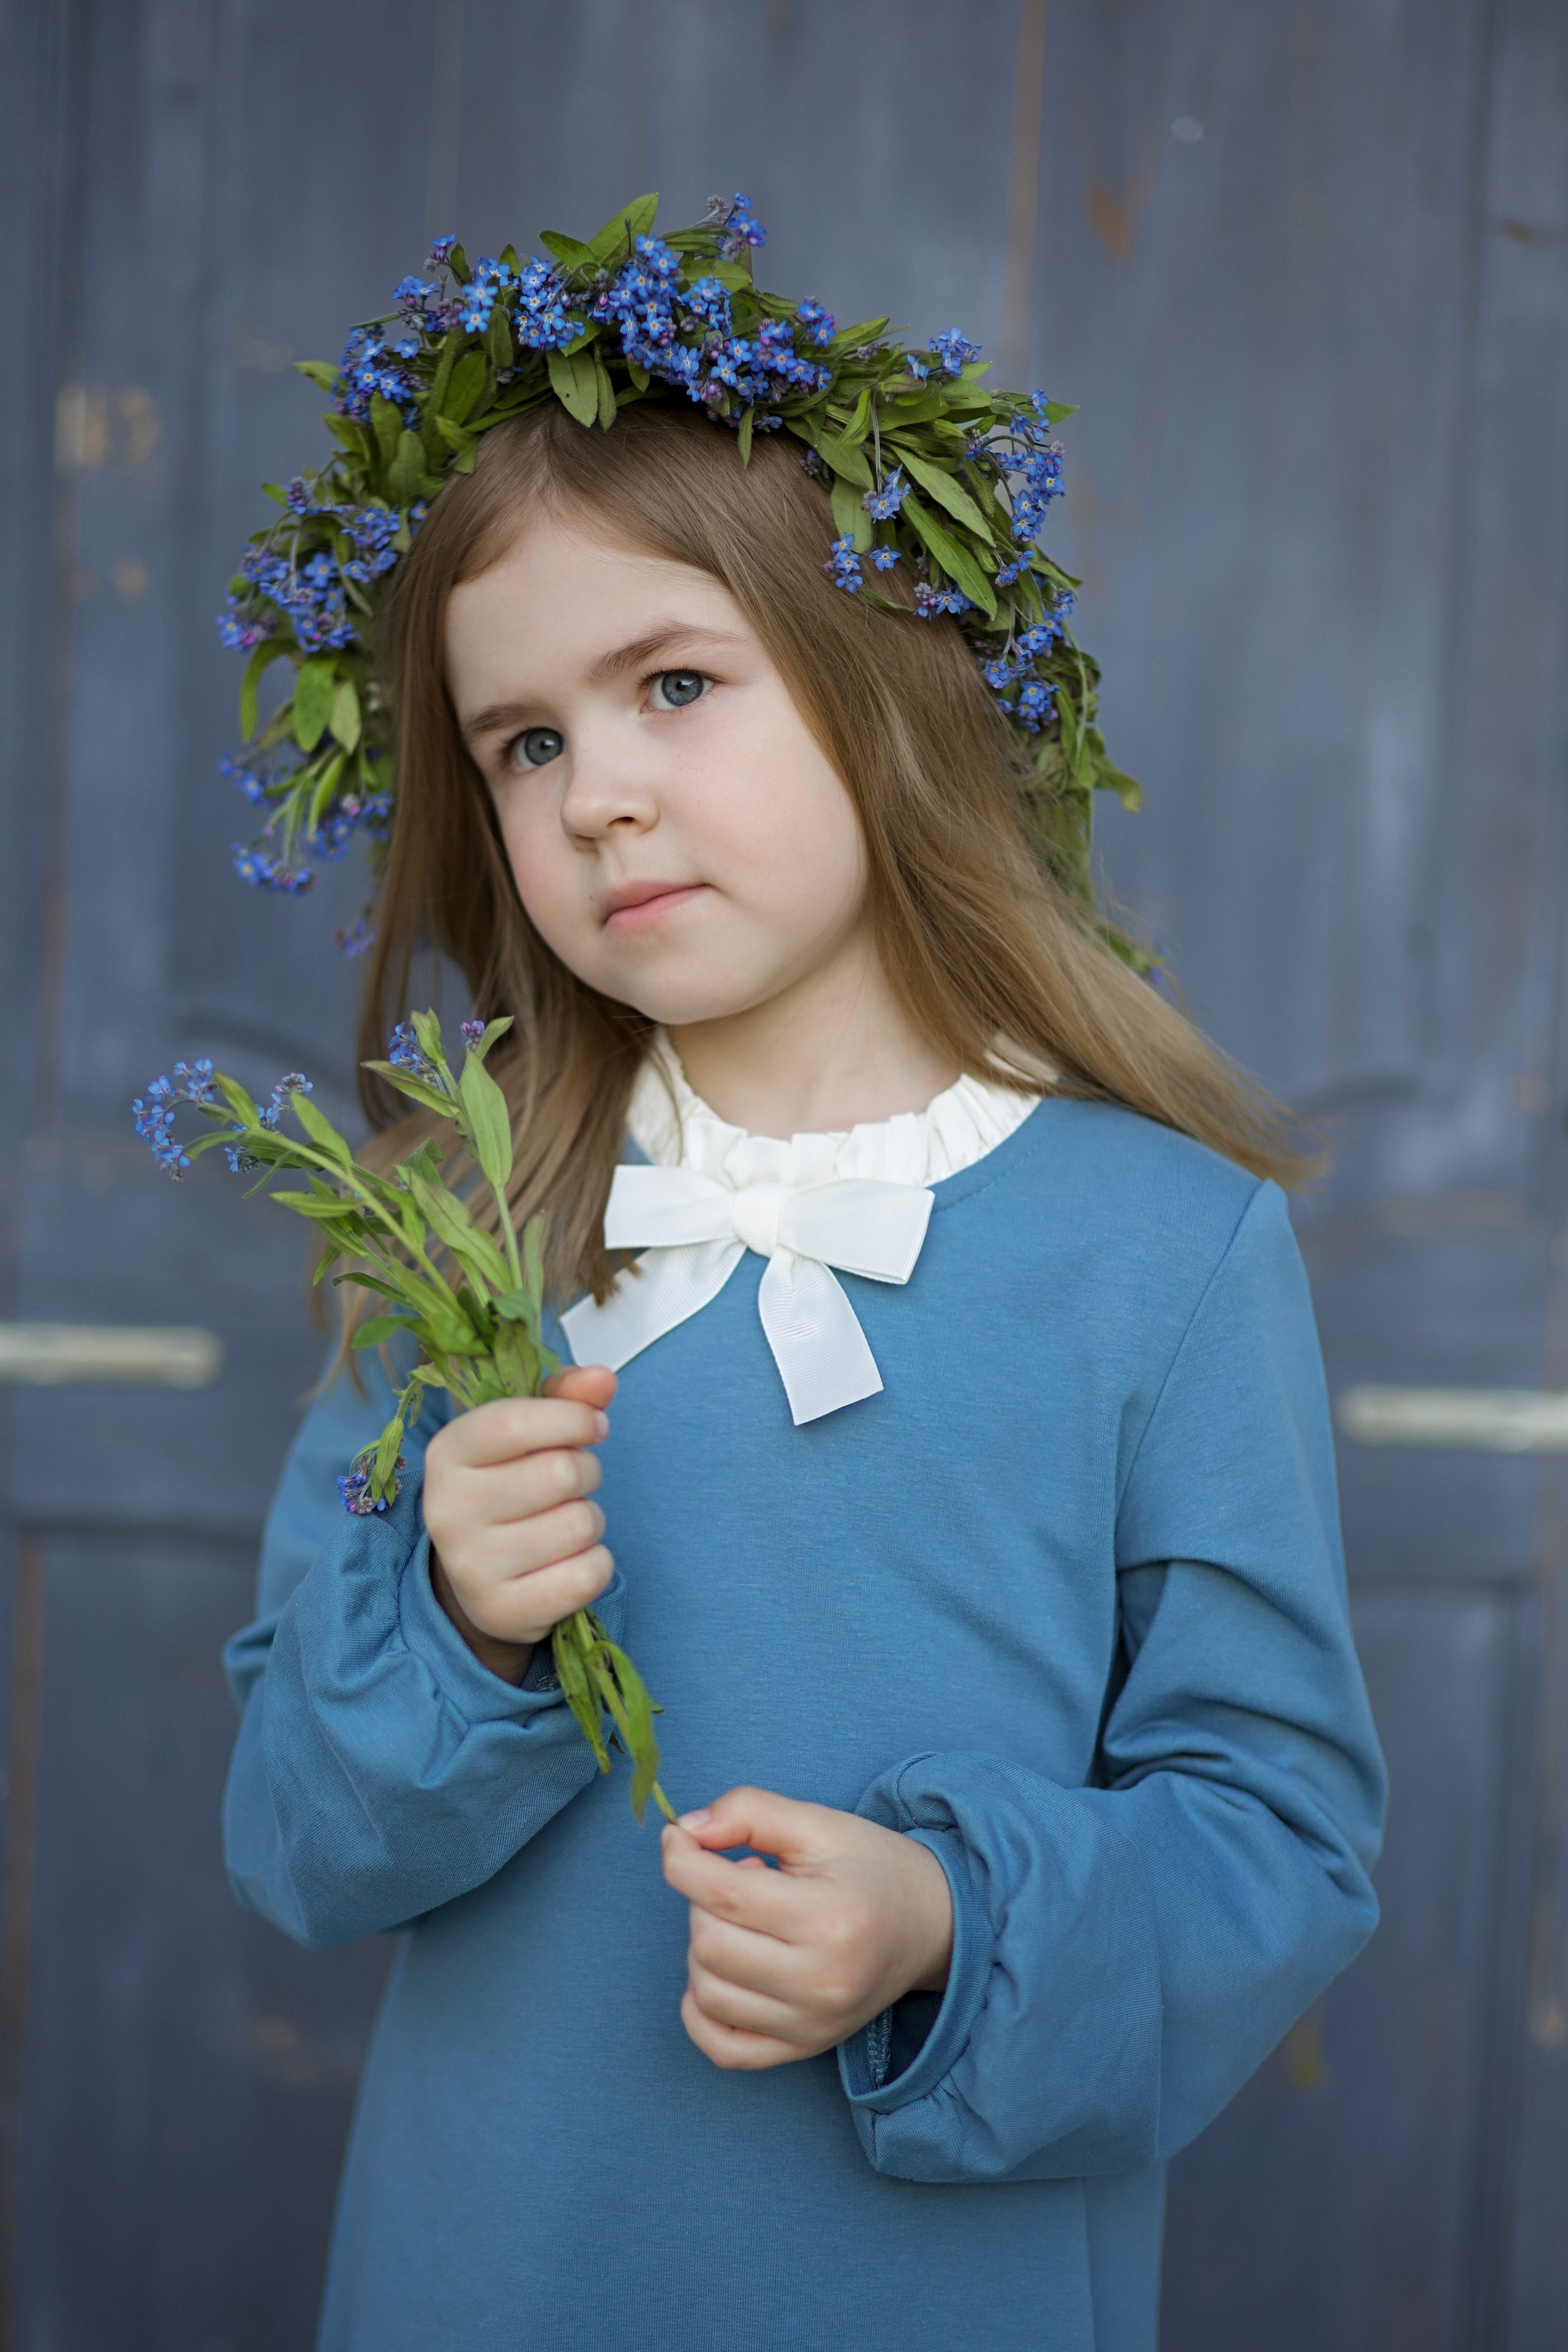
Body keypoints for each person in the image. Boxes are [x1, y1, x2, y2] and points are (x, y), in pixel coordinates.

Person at [221, 213, 1385, 2352]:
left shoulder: (1170, 1250)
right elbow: (299, 1844)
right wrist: (463, 1628)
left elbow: (1280, 1840)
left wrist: (949, 1915)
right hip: (497, 2271)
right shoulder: (467, 1236)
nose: (604, 795)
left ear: (880, 686)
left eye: (672, 684)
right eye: (525, 744)